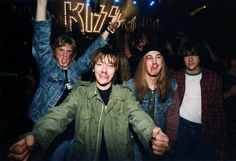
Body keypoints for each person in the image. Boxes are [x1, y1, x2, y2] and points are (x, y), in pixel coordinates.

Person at [8, 47, 169, 161]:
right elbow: (58, 116)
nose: (105, 71)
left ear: (115, 70)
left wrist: (152, 133)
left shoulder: (124, 94)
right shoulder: (80, 93)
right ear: (93, 68)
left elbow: (138, 116)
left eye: (110, 65)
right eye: (100, 64)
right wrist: (36, 135)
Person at [28, 0, 122, 123]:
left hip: (68, 126)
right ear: (54, 51)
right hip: (42, 121)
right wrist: (41, 4)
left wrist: (109, 29)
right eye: (61, 50)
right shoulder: (48, 67)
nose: (65, 55)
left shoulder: (75, 69)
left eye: (68, 51)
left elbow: (91, 53)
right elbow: (41, 41)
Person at [173, 38, 226, 161]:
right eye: (186, 56)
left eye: (194, 55)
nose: (190, 59)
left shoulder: (213, 78)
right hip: (181, 128)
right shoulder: (177, 78)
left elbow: (218, 112)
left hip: (204, 130)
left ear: (200, 56)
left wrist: (220, 145)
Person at [124, 44, 179, 161]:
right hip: (134, 145)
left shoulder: (172, 86)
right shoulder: (129, 87)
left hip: (160, 145)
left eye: (158, 57)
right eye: (149, 57)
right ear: (143, 62)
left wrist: (169, 143)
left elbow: (173, 120)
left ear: (163, 62)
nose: (154, 62)